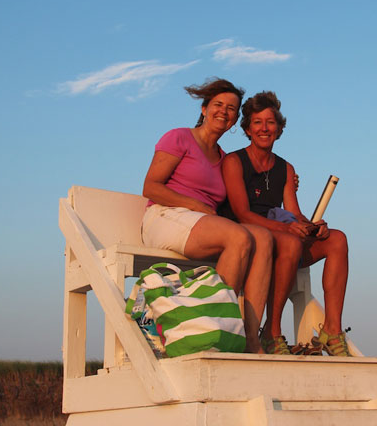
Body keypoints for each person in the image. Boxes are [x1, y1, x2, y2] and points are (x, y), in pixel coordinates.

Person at [142, 78, 272, 353]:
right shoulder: (179, 137)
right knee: (238, 237)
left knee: (262, 238)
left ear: (235, 120)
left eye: (231, 109)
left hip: (202, 224)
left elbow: (246, 192)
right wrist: (194, 204)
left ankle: (249, 339)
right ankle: (213, 331)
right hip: (165, 216)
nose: (224, 112)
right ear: (203, 109)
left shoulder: (225, 158)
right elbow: (150, 186)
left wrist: (285, 180)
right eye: (218, 105)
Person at [220, 91, 351, 356]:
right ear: (247, 129)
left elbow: (293, 214)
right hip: (249, 239)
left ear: (279, 128)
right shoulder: (234, 161)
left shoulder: (286, 168)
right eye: (257, 122)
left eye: (270, 122)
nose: (264, 128)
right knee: (290, 241)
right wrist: (288, 228)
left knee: (337, 239)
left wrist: (314, 227)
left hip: (282, 238)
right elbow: (242, 214)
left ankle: (332, 330)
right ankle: (272, 331)